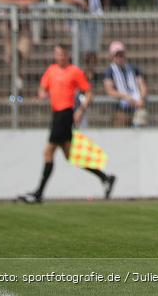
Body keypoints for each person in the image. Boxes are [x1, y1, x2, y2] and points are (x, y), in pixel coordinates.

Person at [17, 44, 115, 204]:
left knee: (48, 153)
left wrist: (80, 110)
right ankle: (105, 177)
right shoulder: (51, 70)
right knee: (71, 156)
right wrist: (42, 93)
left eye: (62, 54)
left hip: (65, 114)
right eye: (57, 54)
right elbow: (42, 89)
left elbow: (89, 93)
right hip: (56, 115)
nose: (60, 57)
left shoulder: (75, 71)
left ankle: (39, 193)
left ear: (68, 55)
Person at [0, 0, 38, 92]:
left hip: (24, 24)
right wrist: (20, 2)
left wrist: (17, 2)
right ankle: (16, 76)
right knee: (10, 53)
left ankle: (17, 76)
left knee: (22, 51)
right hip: (9, 23)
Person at [60, 0, 104, 77]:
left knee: (92, 49)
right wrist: (79, 2)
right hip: (76, 22)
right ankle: (76, 71)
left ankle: (90, 71)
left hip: (93, 21)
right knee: (78, 48)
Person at [103, 41, 148, 128]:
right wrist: (125, 96)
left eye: (122, 55)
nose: (120, 58)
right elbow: (109, 90)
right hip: (121, 108)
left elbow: (142, 85)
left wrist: (141, 98)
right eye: (117, 55)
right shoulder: (110, 71)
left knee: (140, 123)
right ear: (112, 56)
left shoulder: (133, 69)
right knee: (121, 131)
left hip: (136, 106)